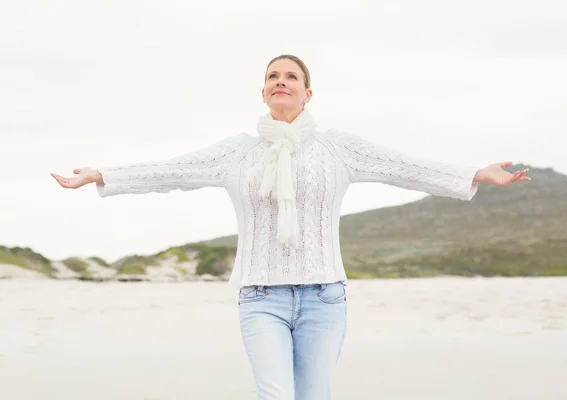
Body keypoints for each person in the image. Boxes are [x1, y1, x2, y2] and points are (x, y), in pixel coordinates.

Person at [51, 54, 531, 400]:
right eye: (273, 77)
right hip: (261, 297)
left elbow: (402, 167)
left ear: (307, 93)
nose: (281, 82)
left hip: (326, 297)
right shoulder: (237, 152)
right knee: (275, 395)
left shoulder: (336, 148)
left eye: (291, 76)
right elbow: (170, 172)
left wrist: (474, 174)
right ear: (263, 92)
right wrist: (104, 175)